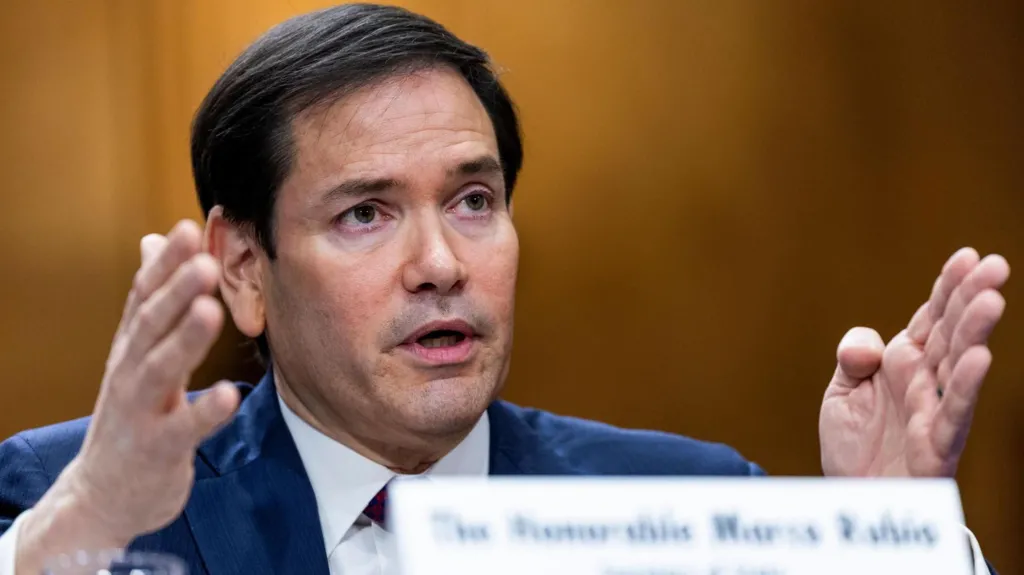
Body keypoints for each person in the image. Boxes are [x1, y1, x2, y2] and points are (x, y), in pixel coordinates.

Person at [0, 4, 1008, 574]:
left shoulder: (687, 507)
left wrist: (892, 545)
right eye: (365, 213)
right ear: (244, 268)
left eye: (474, 199)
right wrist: (76, 522)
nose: (441, 261)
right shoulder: (62, 498)